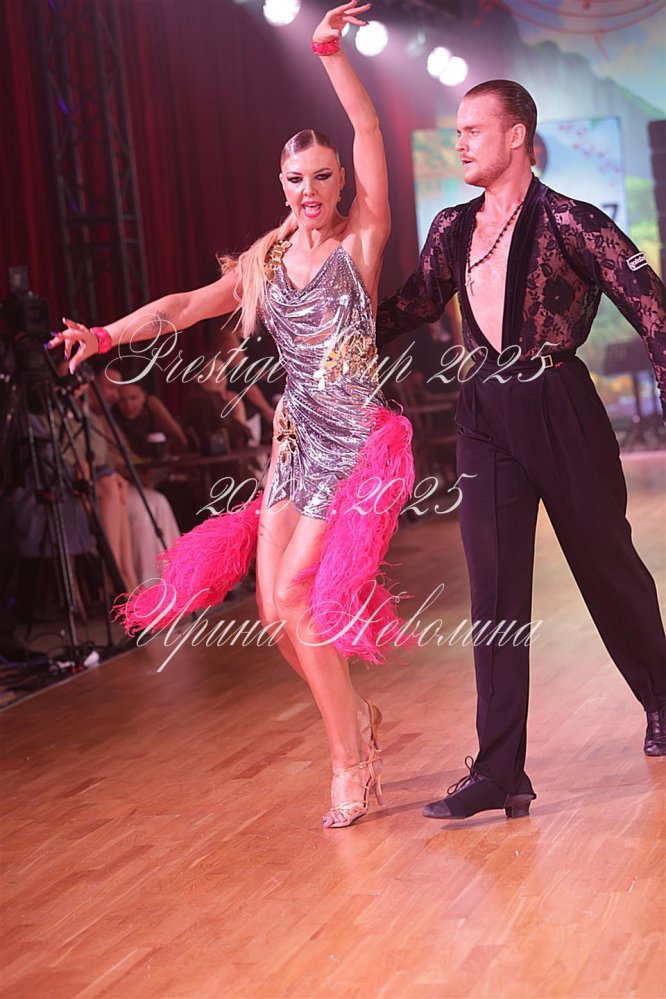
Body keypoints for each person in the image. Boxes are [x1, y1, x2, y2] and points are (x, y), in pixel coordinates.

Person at [47, 2, 414, 829]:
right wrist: (103, 335)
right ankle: (354, 720)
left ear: (342, 181)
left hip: (353, 439)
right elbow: (183, 305)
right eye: (295, 179)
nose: (309, 190)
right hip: (294, 443)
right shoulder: (266, 261)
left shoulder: (362, 240)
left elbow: (366, 126)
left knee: (299, 594)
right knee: (273, 613)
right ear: (280, 184)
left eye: (321, 176)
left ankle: (348, 764)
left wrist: (327, 50)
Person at [376, 79, 666, 820]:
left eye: (473, 129)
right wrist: (338, 328)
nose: (460, 143)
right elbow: (413, 305)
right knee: (495, 593)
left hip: (559, 403)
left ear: (517, 138)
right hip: (483, 410)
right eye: (457, 131)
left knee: (607, 567)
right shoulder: (451, 227)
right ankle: (499, 771)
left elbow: (655, 312)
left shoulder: (573, 220)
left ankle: (663, 696)